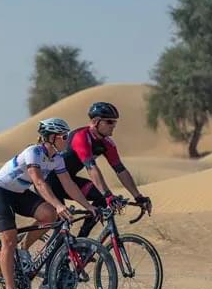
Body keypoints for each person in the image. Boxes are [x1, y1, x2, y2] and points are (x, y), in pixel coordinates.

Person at [0, 117, 98, 289]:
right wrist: (59, 205)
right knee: (9, 239)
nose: (67, 140)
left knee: (49, 216)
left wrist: (88, 206)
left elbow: (68, 184)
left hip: (19, 193)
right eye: (64, 136)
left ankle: (24, 249)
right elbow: (38, 182)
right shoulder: (33, 152)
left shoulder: (57, 158)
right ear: (52, 137)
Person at [40, 101, 152, 240]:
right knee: (59, 222)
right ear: (96, 121)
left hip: (68, 181)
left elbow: (120, 169)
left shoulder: (107, 143)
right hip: (50, 181)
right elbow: (91, 167)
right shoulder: (82, 137)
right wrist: (108, 194)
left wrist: (138, 196)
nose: (113, 126)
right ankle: (30, 249)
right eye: (110, 122)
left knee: (100, 198)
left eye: (115, 123)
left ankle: (82, 243)